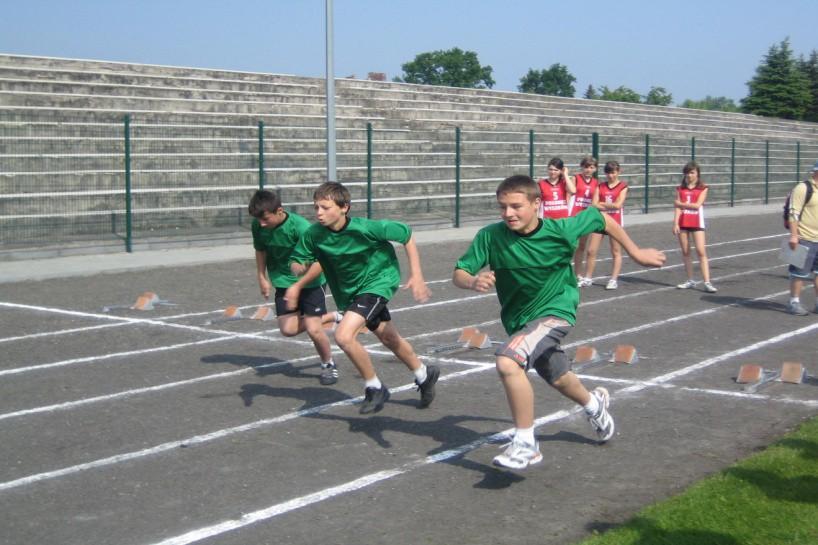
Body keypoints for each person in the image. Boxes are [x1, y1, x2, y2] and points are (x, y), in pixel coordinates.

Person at [452, 174, 665, 469]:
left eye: (516, 206)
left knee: (508, 361)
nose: (508, 214)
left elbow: (602, 219)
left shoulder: (562, 229)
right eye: (502, 207)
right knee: (558, 376)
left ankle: (526, 443)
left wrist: (636, 252)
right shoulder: (491, 236)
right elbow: (459, 272)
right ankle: (594, 405)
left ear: (537, 204)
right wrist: (472, 280)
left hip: (556, 311)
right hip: (519, 320)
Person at [288, 181, 440, 414]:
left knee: (343, 335)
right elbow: (298, 260)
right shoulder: (314, 234)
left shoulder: (368, 228)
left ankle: (374, 387)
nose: (319, 212)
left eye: (325, 207)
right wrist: (298, 269)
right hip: (350, 291)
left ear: (344, 207)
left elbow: (406, 234)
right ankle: (423, 374)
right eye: (316, 207)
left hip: (378, 283)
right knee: (388, 337)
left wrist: (417, 275)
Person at [248, 190, 341, 385]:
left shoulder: (301, 228)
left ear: (279, 211)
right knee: (288, 330)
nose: (261, 224)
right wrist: (261, 277)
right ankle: (333, 316)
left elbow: (321, 262)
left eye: (265, 219)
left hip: (311, 281)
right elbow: (260, 250)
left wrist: (298, 285)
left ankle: (328, 364)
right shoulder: (258, 224)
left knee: (314, 329)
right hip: (283, 281)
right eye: (258, 220)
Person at [584, 161, 629, 290]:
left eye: (613, 172)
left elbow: (618, 205)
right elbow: (594, 204)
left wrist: (602, 204)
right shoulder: (600, 186)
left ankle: (613, 279)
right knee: (591, 250)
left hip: (615, 222)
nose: (610, 175)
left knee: (615, 251)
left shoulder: (622, 187)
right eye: (608, 173)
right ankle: (588, 277)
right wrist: (608, 205)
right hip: (601, 221)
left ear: (618, 172)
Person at [673, 161, 717, 293]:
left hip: (697, 222)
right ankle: (690, 280)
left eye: (692, 172)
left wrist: (680, 204)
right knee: (686, 252)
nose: (689, 175)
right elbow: (677, 208)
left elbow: (697, 205)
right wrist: (675, 223)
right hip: (683, 222)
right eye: (687, 173)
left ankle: (707, 281)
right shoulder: (680, 188)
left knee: (701, 251)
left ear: (697, 173)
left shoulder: (703, 188)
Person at [786, 161, 818, 315]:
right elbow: (793, 213)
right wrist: (794, 235)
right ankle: (794, 301)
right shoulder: (803, 188)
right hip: (804, 237)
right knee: (799, 273)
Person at [571, 156, 599, 288]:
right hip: (574, 216)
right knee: (571, 246)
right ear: (582, 167)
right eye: (586, 167)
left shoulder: (596, 183)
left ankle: (578, 275)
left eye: (591, 167)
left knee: (581, 246)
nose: (588, 169)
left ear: (595, 169)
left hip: (586, 217)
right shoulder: (575, 178)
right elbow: (569, 194)